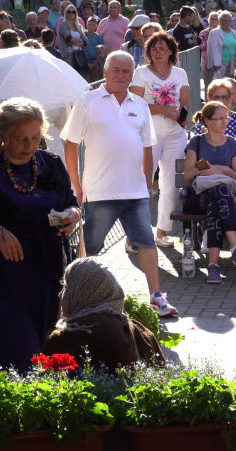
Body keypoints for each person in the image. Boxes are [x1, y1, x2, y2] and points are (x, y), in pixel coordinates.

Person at [0, 99, 80, 371]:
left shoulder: (52, 164)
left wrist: (72, 216)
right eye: (21, 139)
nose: (30, 146)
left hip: (46, 274)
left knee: (46, 352)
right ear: (2, 137)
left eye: (35, 137)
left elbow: (71, 202)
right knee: (15, 354)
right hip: (3, 279)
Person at [63, 50, 178, 317]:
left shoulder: (140, 104)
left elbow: (147, 147)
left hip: (135, 191)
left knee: (147, 243)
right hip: (99, 191)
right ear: (105, 72)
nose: (121, 75)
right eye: (116, 70)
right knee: (89, 249)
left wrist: (148, 185)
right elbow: (70, 143)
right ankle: (79, 298)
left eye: (127, 71)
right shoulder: (88, 101)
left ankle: (156, 297)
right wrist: (76, 186)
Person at [41, 257, 164, 370]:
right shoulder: (138, 330)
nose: (61, 294)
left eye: (67, 287)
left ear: (81, 292)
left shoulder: (69, 335)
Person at [130, 31, 190, 248]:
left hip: (175, 135)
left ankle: (162, 231)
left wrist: (181, 117)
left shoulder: (180, 73)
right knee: (143, 185)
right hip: (148, 135)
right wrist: (162, 109)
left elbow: (185, 104)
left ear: (171, 51)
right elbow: (135, 104)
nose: (158, 52)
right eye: (154, 48)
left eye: (162, 48)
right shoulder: (141, 73)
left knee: (173, 184)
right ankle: (135, 236)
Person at [184, 101, 236, 283]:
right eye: (220, 118)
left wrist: (220, 169)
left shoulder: (233, 144)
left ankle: (213, 266)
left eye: (226, 117)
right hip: (198, 197)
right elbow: (188, 173)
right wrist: (210, 170)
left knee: (216, 204)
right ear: (207, 121)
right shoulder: (196, 142)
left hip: (221, 199)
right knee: (220, 192)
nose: (225, 122)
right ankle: (235, 247)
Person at [57, 4, 89, 73]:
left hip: (78, 54)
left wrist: (76, 42)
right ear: (66, 13)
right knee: (68, 74)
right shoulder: (63, 25)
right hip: (67, 54)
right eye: (69, 12)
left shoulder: (79, 26)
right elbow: (69, 39)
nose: (71, 13)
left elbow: (86, 41)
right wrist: (80, 41)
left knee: (79, 75)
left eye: (73, 12)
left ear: (76, 13)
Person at [207, 11, 236, 78]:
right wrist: (215, 63)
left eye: (225, 20)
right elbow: (212, 49)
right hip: (220, 64)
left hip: (233, 63)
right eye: (221, 20)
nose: (223, 22)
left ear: (230, 21)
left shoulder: (234, 32)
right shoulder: (214, 32)